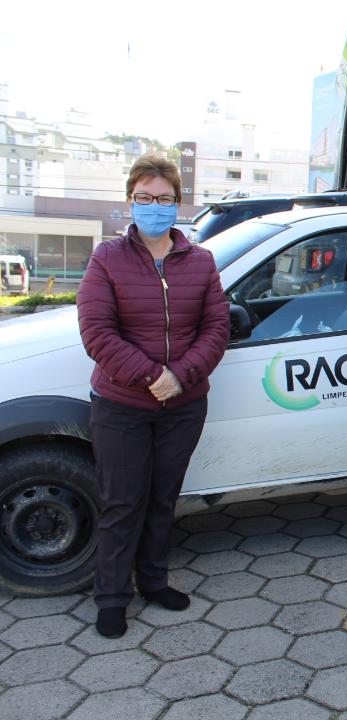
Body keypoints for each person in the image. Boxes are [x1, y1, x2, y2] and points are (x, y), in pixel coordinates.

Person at [77, 155, 229, 638]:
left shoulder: (200, 260)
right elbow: (96, 332)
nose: (154, 207)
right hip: (122, 405)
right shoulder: (107, 258)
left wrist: (180, 376)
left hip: (183, 405)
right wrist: (151, 376)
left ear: (177, 204)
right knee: (123, 502)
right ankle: (112, 597)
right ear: (130, 202)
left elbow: (216, 327)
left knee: (163, 498)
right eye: (145, 198)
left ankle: (155, 582)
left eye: (164, 199)